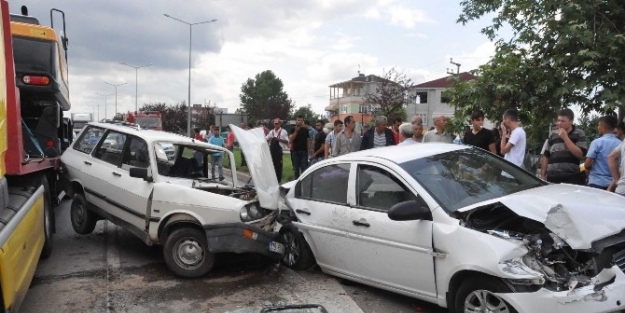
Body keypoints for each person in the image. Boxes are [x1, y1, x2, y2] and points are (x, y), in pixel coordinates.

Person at [540, 108, 587, 184]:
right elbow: (546, 155)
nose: (559, 123)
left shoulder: (579, 133)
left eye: (562, 121)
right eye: (558, 120)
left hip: (572, 176)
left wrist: (565, 137)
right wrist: (543, 175)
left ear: (571, 121)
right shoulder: (553, 134)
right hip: (553, 176)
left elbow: (580, 155)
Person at [584, 115, 621, 190]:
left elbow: (587, 164)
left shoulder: (597, 143)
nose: (598, 127)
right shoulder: (621, 144)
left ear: (603, 127)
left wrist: (593, 169)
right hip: (615, 184)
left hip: (596, 182)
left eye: (598, 125)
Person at [266, 118, 288, 182]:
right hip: (272, 150)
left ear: (280, 124)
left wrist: (279, 139)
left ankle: (278, 179)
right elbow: (266, 138)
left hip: (278, 150)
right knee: (271, 164)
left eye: (277, 124)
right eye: (275, 124)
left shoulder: (283, 132)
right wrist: (267, 140)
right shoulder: (271, 132)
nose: (276, 125)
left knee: (278, 165)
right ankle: (272, 179)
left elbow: (287, 141)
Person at [289, 115, 310, 179]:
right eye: (298, 120)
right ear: (296, 121)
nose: (299, 121)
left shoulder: (306, 130)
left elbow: (308, 140)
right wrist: (296, 131)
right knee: (296, 170)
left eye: (301, 120)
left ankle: (304, 183)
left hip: (304, 151)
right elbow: (291, 139)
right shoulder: (293, 129)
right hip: (295, 152)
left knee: (304, 169)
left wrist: (308, 150)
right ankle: (296, 183)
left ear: (303, 121)